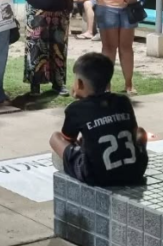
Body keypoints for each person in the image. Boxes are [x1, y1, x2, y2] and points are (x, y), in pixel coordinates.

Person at [49, 52, 148, 186]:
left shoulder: (75, 109)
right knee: (140, 132)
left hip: (96, 176)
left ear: (79, 84)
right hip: (135, 172)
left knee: (55, 137)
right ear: (108, 82)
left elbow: (69, 140)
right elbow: (133, 132)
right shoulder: (123, 101)